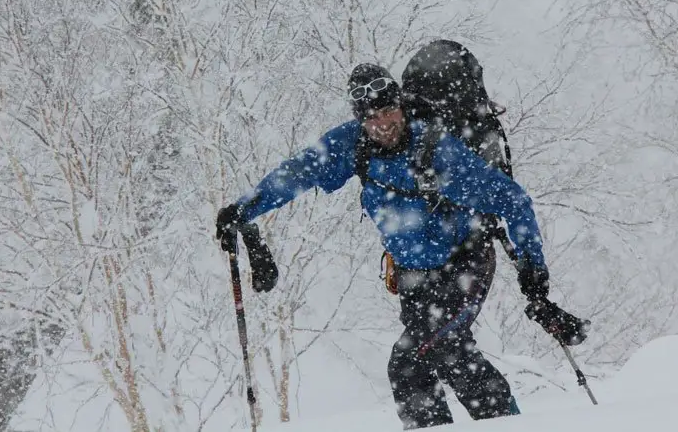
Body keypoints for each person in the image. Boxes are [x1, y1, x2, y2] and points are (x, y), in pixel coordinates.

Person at [217, 63, 588, 429]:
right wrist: (242, 209)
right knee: (440, 357)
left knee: (417, 359)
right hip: (412, 276)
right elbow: (298, 171)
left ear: (402, 106)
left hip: (464, 263)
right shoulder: (353, 144)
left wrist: (533, 271)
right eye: (371, 116)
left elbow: (513, 201)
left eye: (389, 111)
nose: (382, 123)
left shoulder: (439, 151)